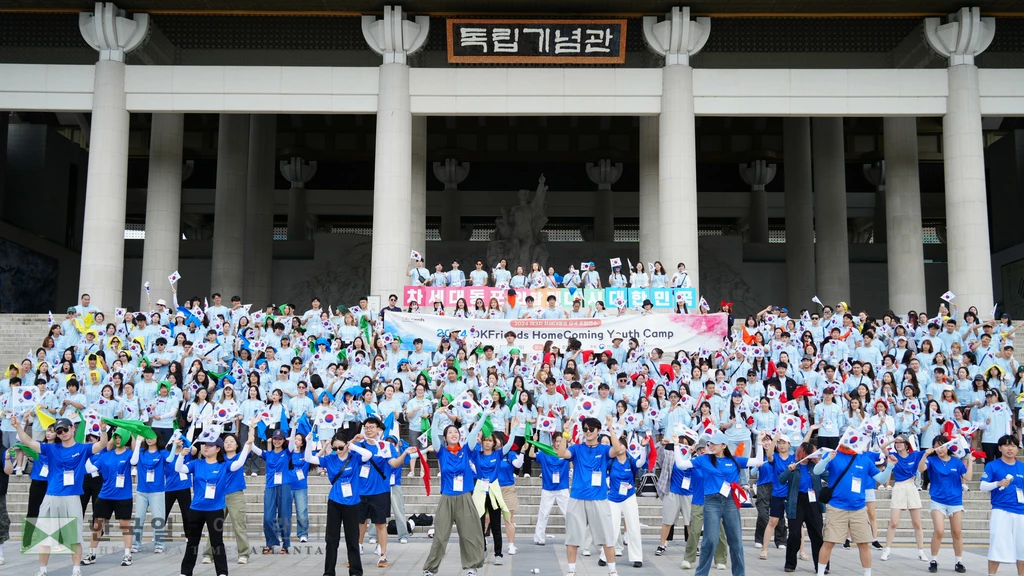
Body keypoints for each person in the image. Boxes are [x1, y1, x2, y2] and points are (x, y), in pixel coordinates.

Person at [12, 414, 107, 576]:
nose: (63, 433)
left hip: (72, 497)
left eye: (65, 429)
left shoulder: (82, 449)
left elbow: (101, 445)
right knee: (44, 535)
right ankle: (42, 570)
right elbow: (28, 442)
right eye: (59, 431)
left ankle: (76, 570)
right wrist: (18, 427)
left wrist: (103, 431)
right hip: (51, 496)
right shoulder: (51, 448)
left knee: (74, 536)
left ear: (72, 428)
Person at [676, 430, 767, 576]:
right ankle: (701, 573)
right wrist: (676, 446)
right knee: (710, 541)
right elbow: (680, 464)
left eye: (714, 443)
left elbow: (758, 461)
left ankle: (739, 573)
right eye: (710, 443)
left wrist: (760, 443)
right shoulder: (704, 459)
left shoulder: (734, 460)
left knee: (736, 541)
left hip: (730, 501)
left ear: (724, 445)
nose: (711, 446)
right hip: (711, 502)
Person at [174, 422, 253, 576]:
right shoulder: (196, 463)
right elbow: (179, 469)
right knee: (192, 542)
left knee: (217, 542)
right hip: (196, 509)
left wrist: (247, 446)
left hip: (215, 509)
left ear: (218, 449)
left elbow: (238, 464)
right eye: (204, 445)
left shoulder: (224, 465)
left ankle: (222, 572)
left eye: (210, 445)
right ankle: (185, 572)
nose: (205, 448)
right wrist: (181, 456)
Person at [555, 415, 624, 576]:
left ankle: (613, 570)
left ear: (598, 431)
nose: (588, 432)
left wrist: (611, 427)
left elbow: (617, 449)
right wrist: (565, 434)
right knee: (572, 536)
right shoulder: (577, 449)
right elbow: (561, 453)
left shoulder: (603, 449)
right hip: (577, 497)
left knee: (607, 536)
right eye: (585, 429)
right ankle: (571, 570)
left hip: (599, 498)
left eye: (591, 429)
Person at [813, 444, 896, 576]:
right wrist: (827, 459)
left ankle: (867, 573)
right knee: (829, 541)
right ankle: (821, 573)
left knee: (863, 543)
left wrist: (890, 466)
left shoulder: (865, 459)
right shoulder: (834, 454)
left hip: (859, 507)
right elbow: (817, 471)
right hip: (836, 506)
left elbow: (881, 478)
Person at [422, 419, 486, 576]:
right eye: (450, 432)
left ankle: (471, 567)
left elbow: (473, 434)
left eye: (456, 432)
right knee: (440, 536)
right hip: (447, 498)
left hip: (464, 497)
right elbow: (434, 437)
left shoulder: (466, 451)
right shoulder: (442, 452)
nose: (453, 434)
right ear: (445, 437)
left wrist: (483, 415)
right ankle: (430, 569)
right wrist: (436, 417)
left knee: (469, 534)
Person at [919, 435, 975, 573]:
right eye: (936, 446)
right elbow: (921, 469)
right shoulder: (931, 460)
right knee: (939, 531)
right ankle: (933, 560)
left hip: (955, 501)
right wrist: (925, 455)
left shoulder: (956, 462)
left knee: (957, 532)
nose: (939, 449)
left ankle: (959, 562)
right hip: (937, 500)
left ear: (948, 446)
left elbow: (968, 477)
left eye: (942, 445)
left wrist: (970, 461)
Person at [83, 428, 136, 567]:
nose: (117, 440)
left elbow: (136, 460)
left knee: (125, 525)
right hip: (105, 495)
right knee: (97, 525)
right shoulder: (105, 455)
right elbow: (91, 469)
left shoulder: (130, 454)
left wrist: (135, 436)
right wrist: (83, 457)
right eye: (115, 437)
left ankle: (127, 555)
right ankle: (92, 553)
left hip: (123, 496)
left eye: (120, 437)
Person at [980, 434, 1024, 576]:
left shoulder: (1022, 467)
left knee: (1022, 549)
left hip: (1021, 512)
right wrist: (997, 483)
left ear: (1017, 449)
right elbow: (983, 486)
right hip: (1001, 511)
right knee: (997, 546)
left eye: (1013, 446)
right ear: (1000, 448)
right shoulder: (992, 465)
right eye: (1006, 445)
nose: (1010, 449)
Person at [881, 434, 928, 562]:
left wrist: (928, 453)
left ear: (907, 445)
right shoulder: (893, 456)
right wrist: (893, 440)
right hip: (899, 487)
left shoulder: (914, 455)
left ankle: (921, 551)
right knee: (894, 522)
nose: (898, 444)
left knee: (917, 523)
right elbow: (882, 447)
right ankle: (887, 550)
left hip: (911, 486)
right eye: (897, 442)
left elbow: (927, 453)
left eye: (901, 442)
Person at [252, 428, 293, 554]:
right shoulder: (267, 454)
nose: (277, 441)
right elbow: (252, 446)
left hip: (284, 486)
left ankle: (285, 544)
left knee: (284, 516)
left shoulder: (287, 452)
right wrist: (251, 429)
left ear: (283, 440)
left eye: (280, 439)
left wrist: (295, 427)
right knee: (268, 518)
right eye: (275, 439)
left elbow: (291, 444)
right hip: (270, 487)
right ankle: (270, 542)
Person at [130, 434, 169, 555]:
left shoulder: (162, 453)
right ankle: (136, 544)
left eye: (152, 436)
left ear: (157, 438)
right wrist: (137, 443)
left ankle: (159, 544)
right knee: (138, 519)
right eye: (147, 437)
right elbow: (133, 461)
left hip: (157, 491)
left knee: (158, 518)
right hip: (142, 491)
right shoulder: (141, 451)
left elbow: (170, 460)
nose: (149, 439)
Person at [532, 436, 569, 546]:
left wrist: (569, 440)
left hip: (562, 488)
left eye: (560, 441)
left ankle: (572, 538)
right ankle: (539, 537)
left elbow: (575, 455)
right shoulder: (545, 453)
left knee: (568, 513)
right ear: (552, 442)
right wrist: (533, 443)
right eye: (556, 441)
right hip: (548, 488)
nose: (558, 443)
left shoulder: (566, 454)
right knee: (543, 513)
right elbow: (531, 455)